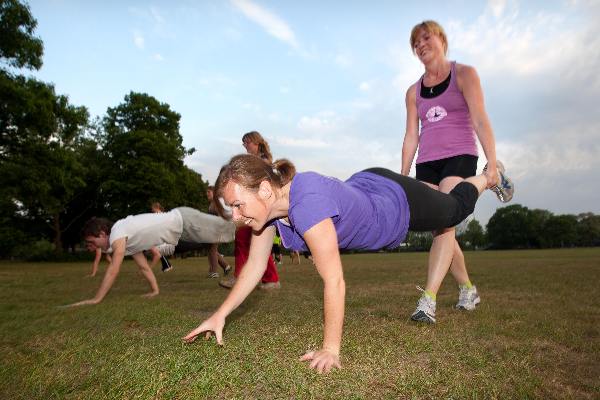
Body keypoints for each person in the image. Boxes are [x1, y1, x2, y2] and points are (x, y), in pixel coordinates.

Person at [183, 154, 514, 373]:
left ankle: (487, 176)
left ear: (266, 190)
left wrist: (331, 348)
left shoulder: (307, 206)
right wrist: (219, 315)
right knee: (441, 204)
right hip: (369, 182)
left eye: (239, 206)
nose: (238, 218)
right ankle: (444, 187)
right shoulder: (268, 217)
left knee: (453, 210)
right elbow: (253, 269)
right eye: (233, 210)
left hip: (396, 202)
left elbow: (334, 280)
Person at [401, 20, 514, 323]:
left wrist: (491, 159)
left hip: (460, 155)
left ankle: (428, 300)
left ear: (441, 39)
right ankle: (467, 289)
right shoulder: (414, 92)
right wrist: (403, 176)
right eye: (416, 43)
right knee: (443, 229)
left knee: (445, 218)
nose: (421, 45)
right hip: (428, 161)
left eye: (426, 38)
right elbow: (412, 135)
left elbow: (479, 118)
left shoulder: (464, 74)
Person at [64, 207, 236, 307]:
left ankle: (256, 216)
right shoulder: (127, 242)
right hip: (182, 229)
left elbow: (113, 269)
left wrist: (96, 299)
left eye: (91, 242)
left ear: (102, 234)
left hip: (184, 220)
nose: (91, 247)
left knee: (230, 229)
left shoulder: (118, 233)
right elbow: (144, 267)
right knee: (228, 231)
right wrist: (155, 291)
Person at [219, 131, 281, 290]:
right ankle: (269, 280)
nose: (245, 145)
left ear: (256, 142)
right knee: (250, 241)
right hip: (250, 206)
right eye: (243, 143)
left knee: (249, 240)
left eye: (247, 142)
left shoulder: (263, 161)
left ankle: (250, 278)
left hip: (257, 208)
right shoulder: (256, 161)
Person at [207, 186, 232, 278]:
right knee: (211, 249)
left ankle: (214, 272)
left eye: (209, 192)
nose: (207, 194)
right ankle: (226, 266)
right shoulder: (212, 204)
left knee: (212, 249)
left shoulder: (217, 204)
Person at [148, 202, 174, 272]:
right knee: (158, 251)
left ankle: (167, 265)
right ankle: (167, 265)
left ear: (155, 208)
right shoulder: (163, 214)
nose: (151, 209)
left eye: (152, 208)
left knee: (155, 250)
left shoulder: (157, 215)